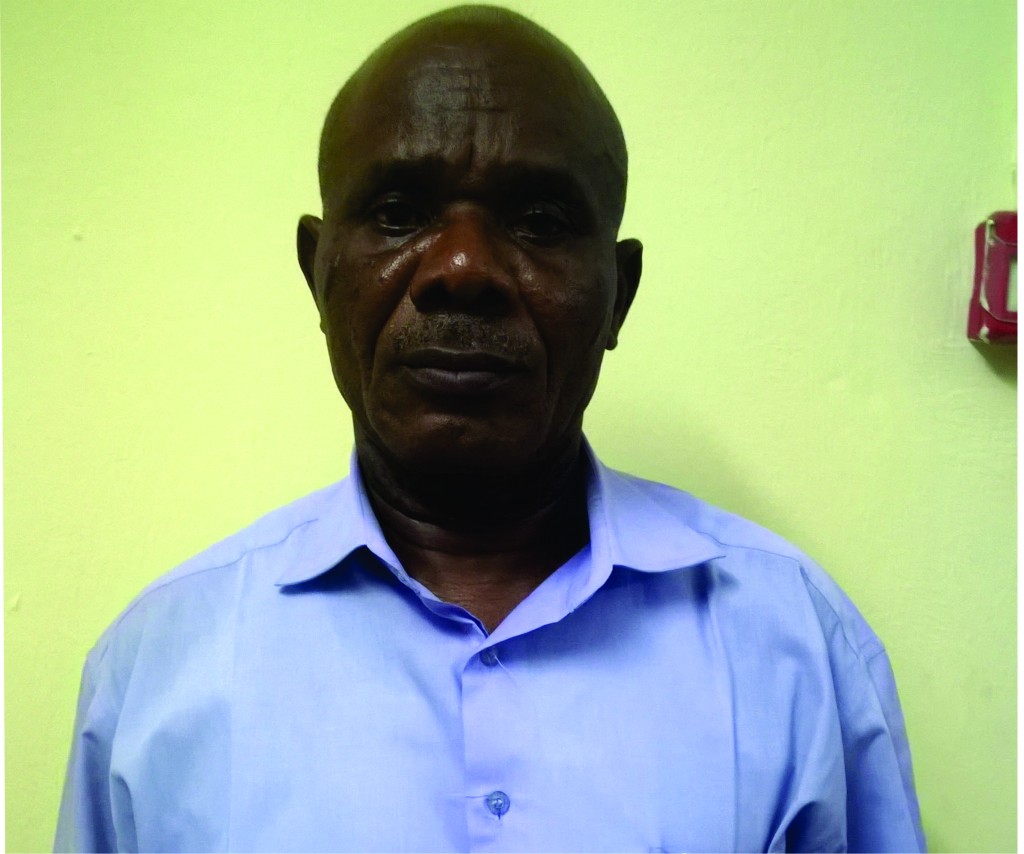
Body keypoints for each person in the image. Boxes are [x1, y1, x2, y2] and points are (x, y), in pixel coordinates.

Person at [54, 5, 925, 852]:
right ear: (318, 273)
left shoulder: (795, 646)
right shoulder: (155, 673)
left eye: (539, 221)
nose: (463, 267)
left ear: (618, 295)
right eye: (398, 213)